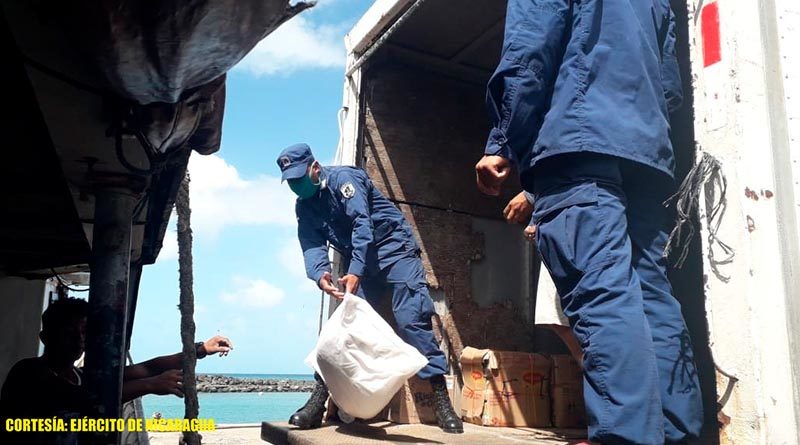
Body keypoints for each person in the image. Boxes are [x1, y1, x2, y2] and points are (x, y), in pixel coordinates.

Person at [475, 1, 703, 444]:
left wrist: (503, 140)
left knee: (601, 295)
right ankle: (680, 435)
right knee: (652, 298)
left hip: (577, 144)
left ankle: (628, 438)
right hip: (645, 152)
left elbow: (530, 50)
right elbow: (671, 87)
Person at [277, 143, 462, 434]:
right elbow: (311, 244)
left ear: (315, 167)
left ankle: (441, 400)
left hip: (393, 249)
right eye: (292, 182)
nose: (297, 186)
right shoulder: (305, 205)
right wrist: (320, 274)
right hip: (360, 260)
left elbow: (361, 225)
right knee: (348, 327)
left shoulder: (345, 181)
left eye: (300, 178)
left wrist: (353, 271)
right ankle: (319, 401)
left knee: (411, 319)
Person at [0, 297, 233, 442]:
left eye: (84, 333)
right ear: (45, 337)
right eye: (69, 332)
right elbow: (86, 399)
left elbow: (147, 367)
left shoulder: (82, 375)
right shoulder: (29, 372)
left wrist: (200, 349)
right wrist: (150, 385)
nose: (79, 340)